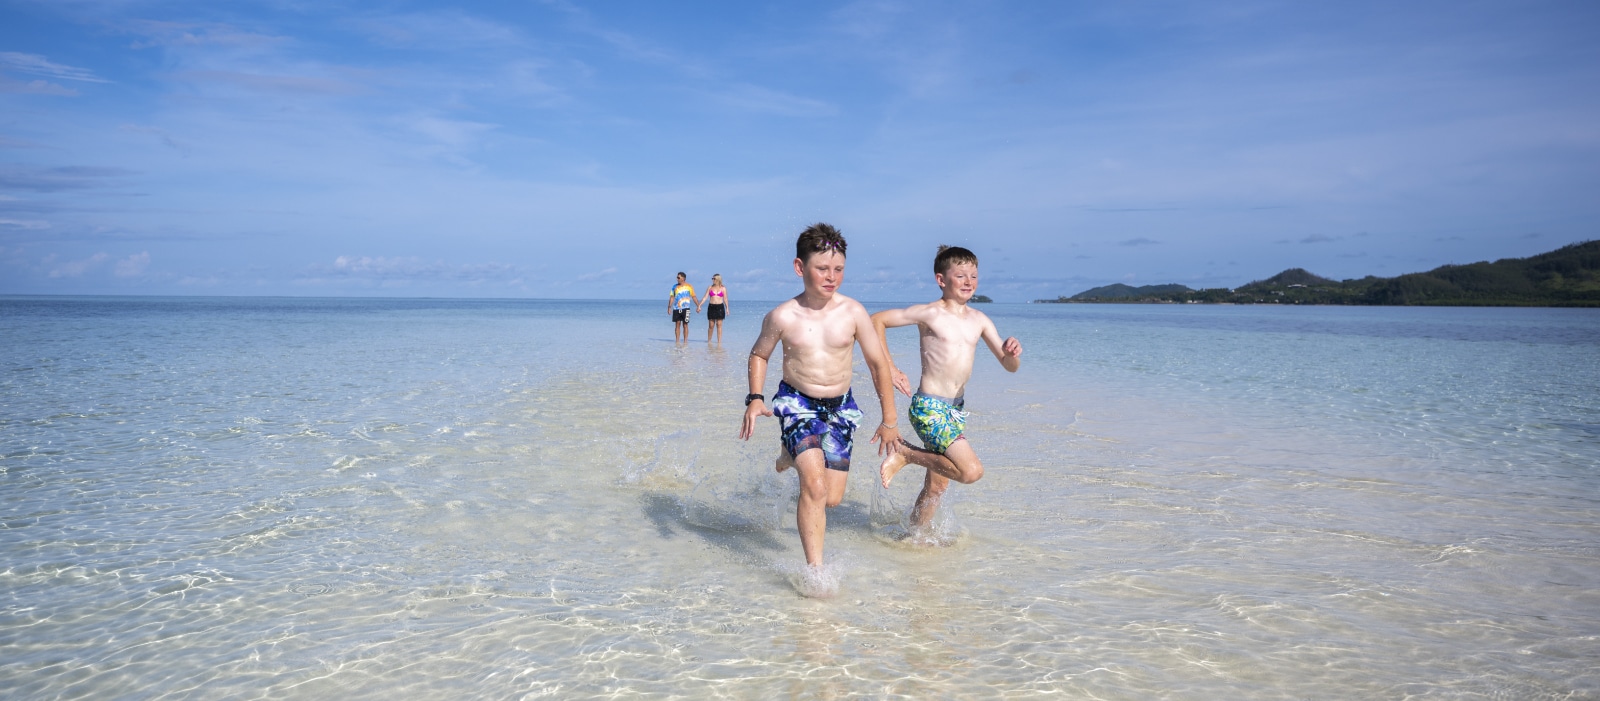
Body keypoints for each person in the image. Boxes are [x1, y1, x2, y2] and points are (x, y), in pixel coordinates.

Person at [739, 223, 902, 570]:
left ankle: (789, 453)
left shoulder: (854, 313)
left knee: (831, 497)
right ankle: (816, 572)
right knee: (813, 485)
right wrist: (755, 397)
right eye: (822, 269)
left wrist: (890, 420)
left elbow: (877, 365)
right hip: (798, 404)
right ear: (800, 268)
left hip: (841, 408)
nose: (832, 277)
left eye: (839, 269)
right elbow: (759, 355)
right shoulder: (783, 316)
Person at [871, 245, 1022, 530]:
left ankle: (914, 537)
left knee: (937, 486)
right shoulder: (930, 313)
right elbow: (876, 321)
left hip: (955, 411)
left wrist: (1012, 355)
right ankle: (905, 454)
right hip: (929, 407)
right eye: (961, 275)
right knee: (970, 471)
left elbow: (1008, 365)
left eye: (974, 276)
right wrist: (889, 367)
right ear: (941, 280)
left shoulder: (980, 320)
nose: (969, 282)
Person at [699, 274, 729, 344]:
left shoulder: (723, 288)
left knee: (719, 325)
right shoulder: (710, 287)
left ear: (718, 279)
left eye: (714, 278)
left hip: (720, 307)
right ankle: (709, 341)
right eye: (712, 278)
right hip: (711, 307)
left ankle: (719, 342)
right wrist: (699, 305)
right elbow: (705, 297)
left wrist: (727, 308)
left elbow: (725, 299)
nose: (712, 280)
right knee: (711, 325)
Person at [668, 272, 697, 343]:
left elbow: (693, 296)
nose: (677, 279)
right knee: (677, 324)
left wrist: (698, 305)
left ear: (683, 278)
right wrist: (669, 307)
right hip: (676, 308)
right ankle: (677, 341)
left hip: (686, 308)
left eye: (678, 277)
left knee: (685, 324)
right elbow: (672, 297)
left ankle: (685, 341)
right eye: (677, 277)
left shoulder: (689, 286)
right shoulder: (674, 287)